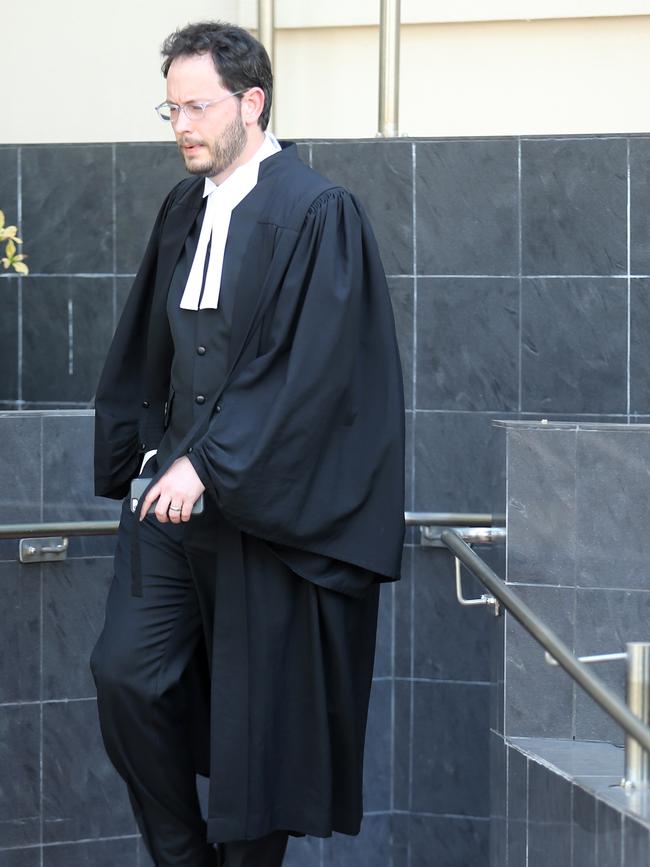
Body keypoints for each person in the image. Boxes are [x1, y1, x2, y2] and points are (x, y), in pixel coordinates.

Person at [90, 20, 405, 867]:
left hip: (263, 514)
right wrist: (145, 450)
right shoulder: (182, 208)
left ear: (252, 101)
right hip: (171, 504)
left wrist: (211, 461)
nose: (183, 124)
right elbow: (150, 348)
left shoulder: (317, 212)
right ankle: (182, 854)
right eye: (172, 108)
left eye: (198, 106)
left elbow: (312, 373)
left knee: (253, 729)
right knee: (123, 676)